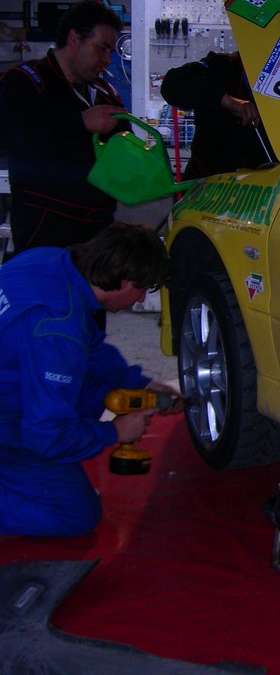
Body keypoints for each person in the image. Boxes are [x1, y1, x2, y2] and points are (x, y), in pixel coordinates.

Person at [0, 222, 178, 537]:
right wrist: (114, 432)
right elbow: (47, 436)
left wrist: (138, 383)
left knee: (93, 392)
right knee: (75, 515)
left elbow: (90, 347)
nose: (139, 300)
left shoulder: (48, 261)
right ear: (125, 282)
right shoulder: (58, 330)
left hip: (15, 373)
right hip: (10, 418)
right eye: (142, 290)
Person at [0, 0, 127, 253]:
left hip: (98, 234)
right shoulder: (26, 81)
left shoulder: (105, 92)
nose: (107, 59)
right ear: (74, 38)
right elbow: (12, 140)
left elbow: (120, 152)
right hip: (45, 233)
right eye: (102, 49)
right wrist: (81, 122)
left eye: (111, 52)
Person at [160, 50, 274, 179]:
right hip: (207, 179)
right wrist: (227, 101)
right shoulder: (221, 66)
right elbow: (172, 84)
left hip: (264, 182)